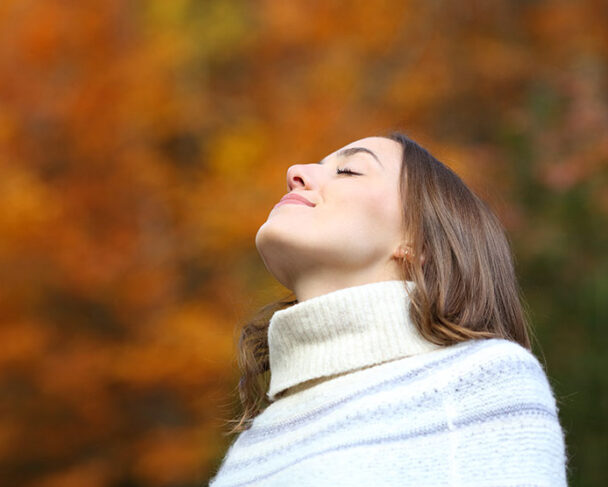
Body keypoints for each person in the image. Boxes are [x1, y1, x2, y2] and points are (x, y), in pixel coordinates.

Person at [208, 133, 568, 486]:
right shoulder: (254, 444)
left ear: (416, 240)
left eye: (348, 170)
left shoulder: (481, 381)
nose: (295, 172)